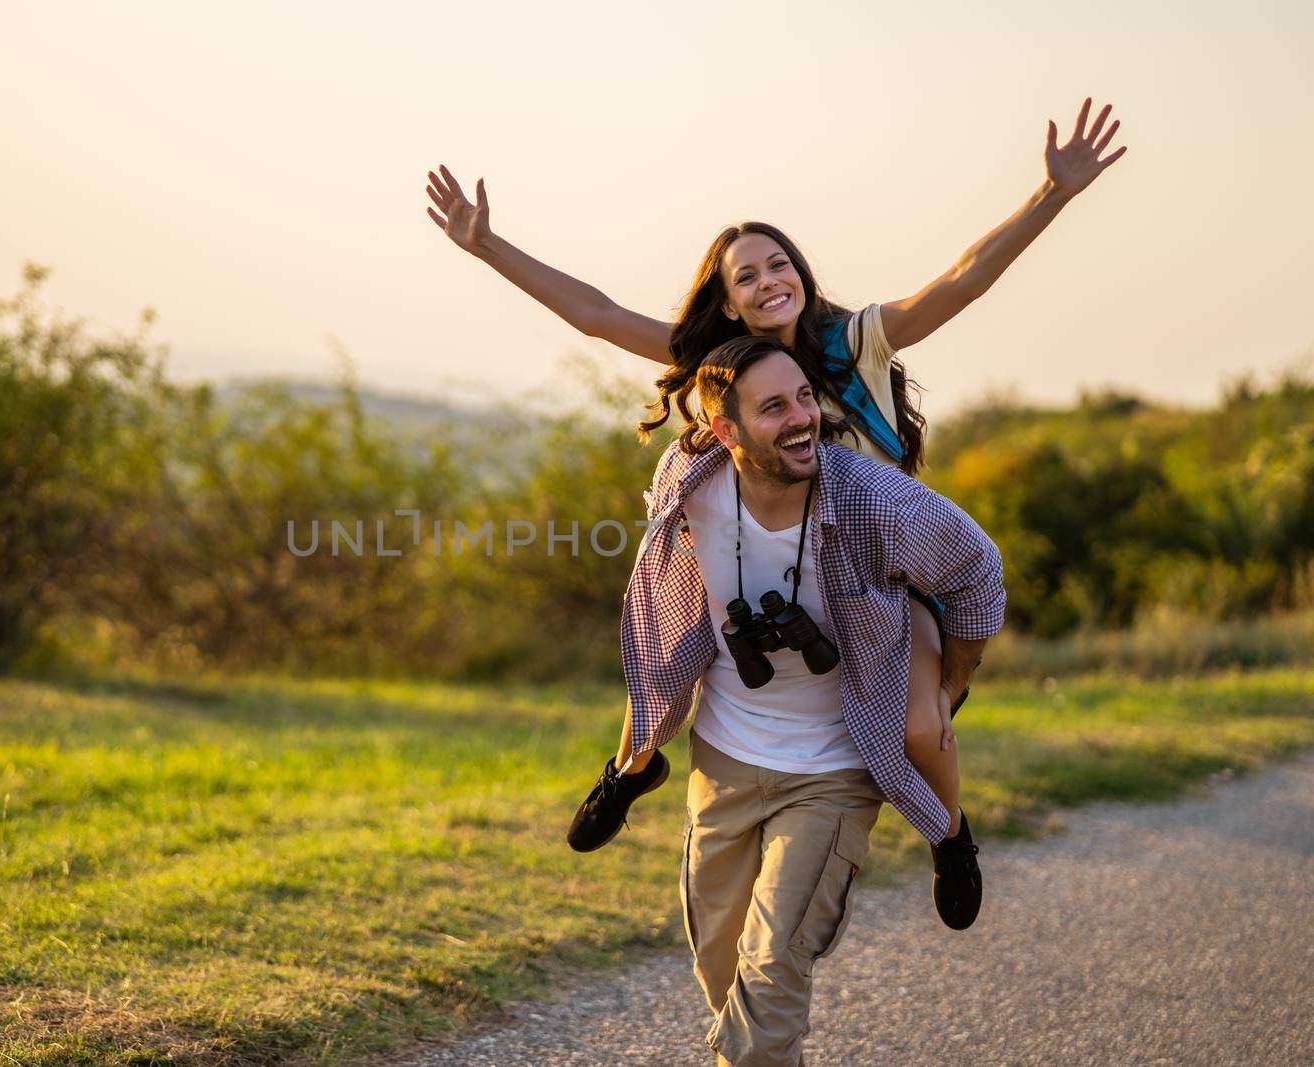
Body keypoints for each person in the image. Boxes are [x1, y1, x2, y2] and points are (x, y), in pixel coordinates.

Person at [424, 98, 1124, 927]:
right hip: (749, 557)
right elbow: (599, 313)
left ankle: (951, 835)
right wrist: (487, 245)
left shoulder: (856, 340)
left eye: (777, 263)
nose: (767, 281)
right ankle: (630, 768)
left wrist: (1052, 195)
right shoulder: (716, 363)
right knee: (662, 655)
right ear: (727, 303)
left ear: (800, 271)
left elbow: (961, 280)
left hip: (875, 571)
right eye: (745, 275)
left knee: (921, 729)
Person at [619, 334, 1004, 1065]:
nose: (802, 418)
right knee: (726, 977)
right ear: (725, 430)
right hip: (723, 764)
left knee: (770, 982)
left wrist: (951, 685)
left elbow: (979, 570)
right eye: (774, 407)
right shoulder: (686, 478)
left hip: (832, 771)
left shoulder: (873, 499)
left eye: (805, 397)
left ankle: (953, 840)